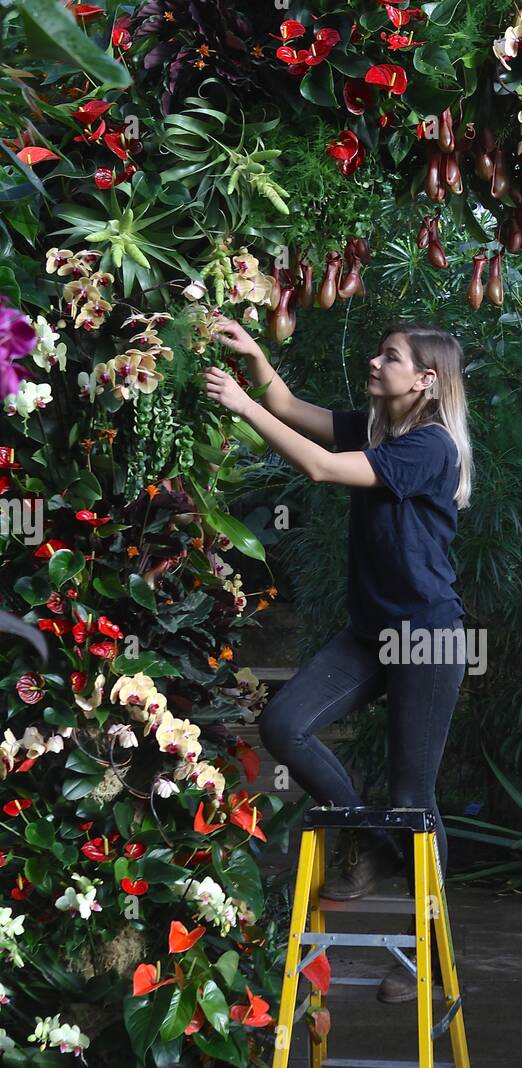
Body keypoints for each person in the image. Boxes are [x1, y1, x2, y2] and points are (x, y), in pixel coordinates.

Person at [203, 317, 473, 1003]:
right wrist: (257, 360)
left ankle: (435, 954)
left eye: (392, 357)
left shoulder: (429, 448)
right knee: (284, 724)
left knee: (414, 798)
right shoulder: (377, 427)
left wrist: (241, 406)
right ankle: (374, 846)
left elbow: (321, 466)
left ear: (425, 380)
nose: (376, 363)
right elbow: (295, 409)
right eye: (380, 352)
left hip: (427, 637)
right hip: (369, 632)